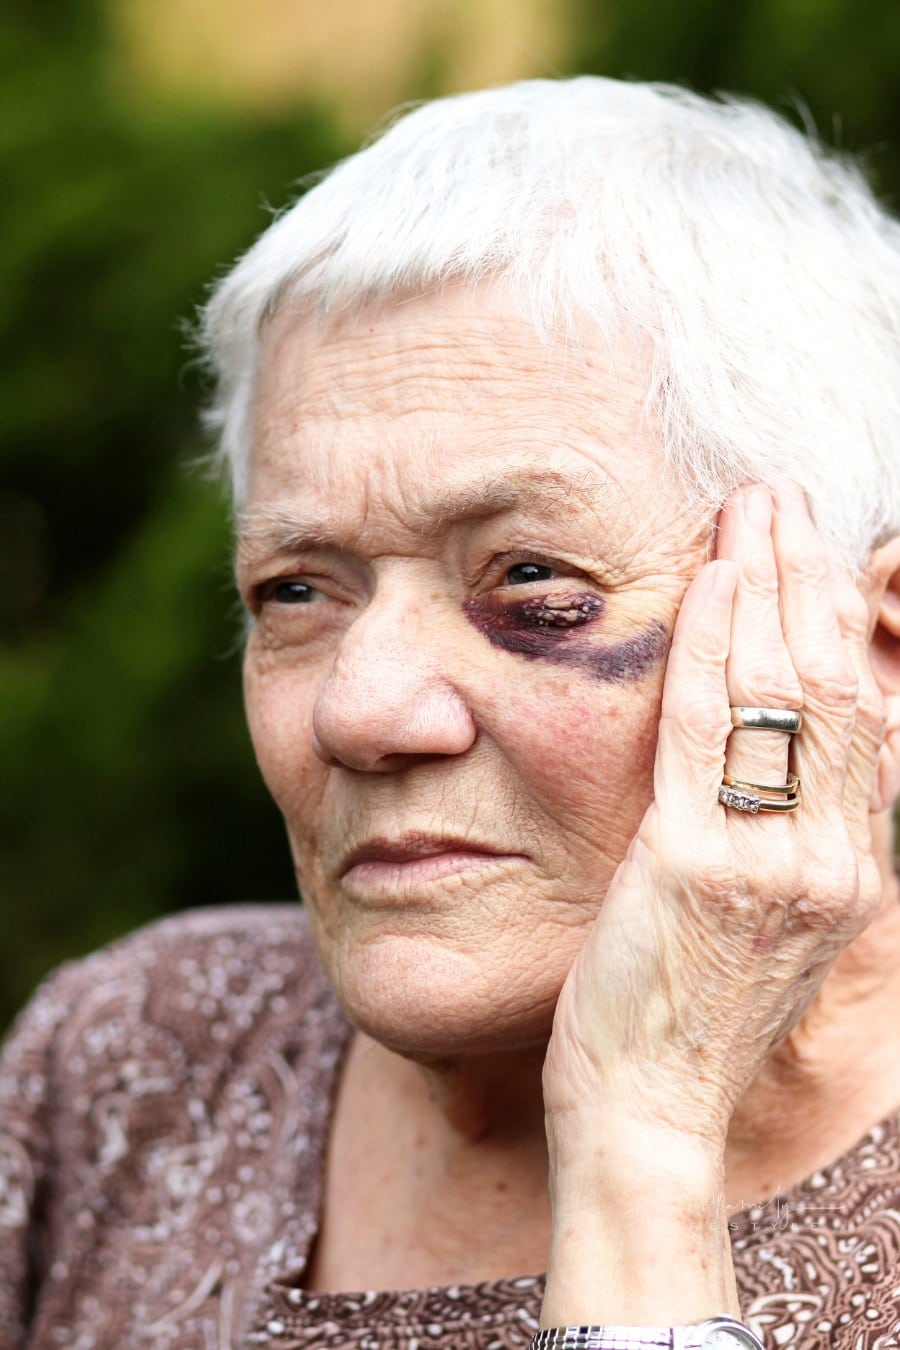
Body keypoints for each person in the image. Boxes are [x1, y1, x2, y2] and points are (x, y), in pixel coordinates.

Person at [3, 76, 900, 1350]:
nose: (361, 714)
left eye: (533, 578)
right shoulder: (133, 1057)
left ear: (870, 650)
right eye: (299, 590)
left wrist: (643, 1145)